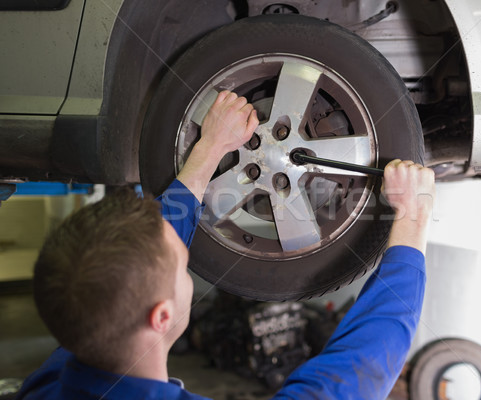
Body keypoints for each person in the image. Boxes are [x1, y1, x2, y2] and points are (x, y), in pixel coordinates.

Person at [16, 91, 435, 400]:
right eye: (181, 266)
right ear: (161, 316)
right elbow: (350, 378)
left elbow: (145, 248)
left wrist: (209, 150)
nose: (185, 259)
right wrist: (412, 216)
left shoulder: (51, 382)